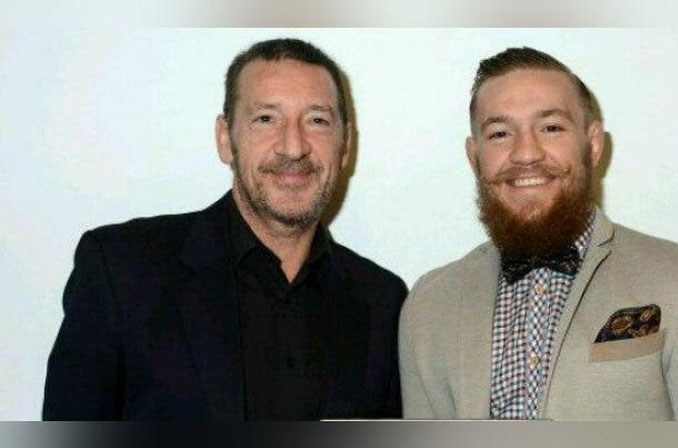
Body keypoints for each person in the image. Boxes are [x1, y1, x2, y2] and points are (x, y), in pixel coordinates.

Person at [43, 38, 407, 420]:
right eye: (266, 119)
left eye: (317, 120)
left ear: (344, 145)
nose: (293, 147)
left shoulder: (383, 302)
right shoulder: (121, 272)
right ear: (225, 139)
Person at [398, 47, 678, 420]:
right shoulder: (428, 305)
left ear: (592, 144)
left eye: (551, 128)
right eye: (500, 133)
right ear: (474, 155)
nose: (526, 153)